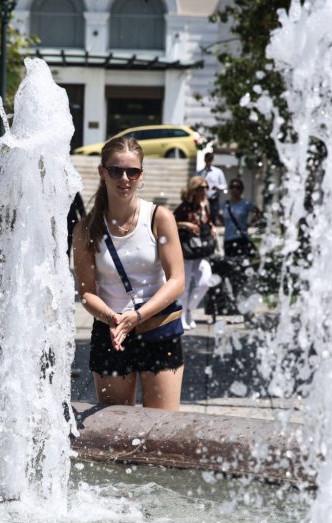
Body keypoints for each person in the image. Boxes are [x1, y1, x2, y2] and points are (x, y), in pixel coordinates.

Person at [71, 136, 186, 410]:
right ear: (102, 172)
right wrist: (113, 318)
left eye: (132, 171)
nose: (125, 178)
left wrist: (137, 316)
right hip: (112, 334)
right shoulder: (86, 228)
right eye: (116, 170)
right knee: (116, 435)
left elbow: (177, 279)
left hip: (158, 328)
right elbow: (86, 291)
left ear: (141, 174)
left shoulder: (159, 218)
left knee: (160, 433)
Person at [173, 176, 217, 330]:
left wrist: (212, 227)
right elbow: (171, 221)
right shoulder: (185, 207)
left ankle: (190, 309)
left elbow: (209, 221)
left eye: (206, 187)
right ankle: (182, 315)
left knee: (205, 281)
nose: (204, 191)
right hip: (186, 251)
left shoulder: (206, 205)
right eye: (200, 188)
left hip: (201, 251)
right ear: (193, 190)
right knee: (183, 287)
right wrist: (186, 225)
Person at [197, 152, 228, 224]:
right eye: (207, 159)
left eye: (210, 159)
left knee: (213, 216)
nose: (209, 161)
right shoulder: (199, 172)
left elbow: (224, 185)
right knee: (202, 216)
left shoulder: (218, 172)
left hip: (213, 198)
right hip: (202, 198)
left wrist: (218, 187)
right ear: (205, 160)